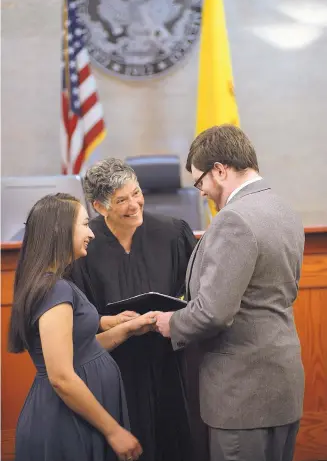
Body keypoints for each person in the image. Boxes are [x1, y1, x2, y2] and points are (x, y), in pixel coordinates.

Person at [156, 125, 305, 461]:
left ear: (220, 170)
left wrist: (172, 323)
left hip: (242, 394)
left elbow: (213, 312)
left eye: (200, 182)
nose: (202, 192)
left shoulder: (234, 219)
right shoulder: (283, 209)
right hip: (282, 383)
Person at [70, 158, 206, 461]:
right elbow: (77, 312)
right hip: (114, 367)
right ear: (100, 207)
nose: (134, 204)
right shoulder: (83, 246)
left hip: (171, 361)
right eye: (121, 200)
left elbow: (197, 294)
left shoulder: (172, 232)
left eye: (136, 193)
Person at [8, 193, 160, 461]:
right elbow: (61, 376)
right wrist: (114, 431)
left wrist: (127, 329)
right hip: (67, 423)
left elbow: (80, 350)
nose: (91, 233)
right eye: (85, 224)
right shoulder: (55, 290)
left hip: (77, 419)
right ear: (60, 229)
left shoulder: (54, 284)